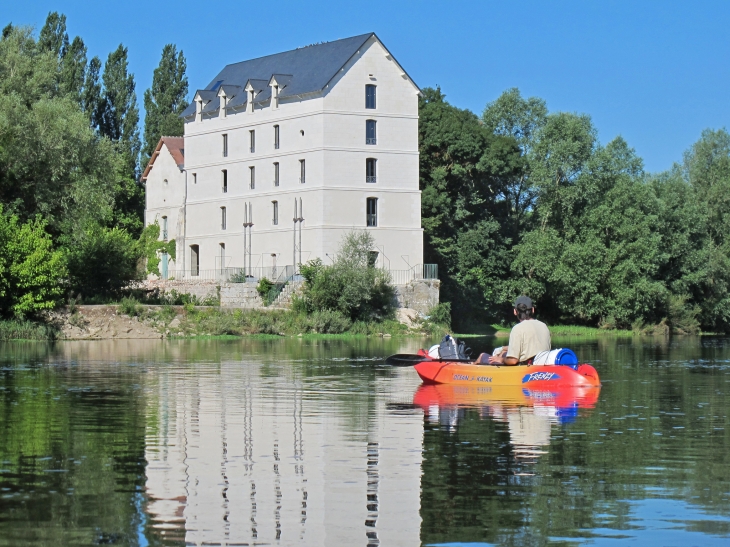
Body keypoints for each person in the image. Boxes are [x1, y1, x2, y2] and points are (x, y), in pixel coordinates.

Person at [486, 296, 551, 366]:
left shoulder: (517, 328)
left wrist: (501, 359)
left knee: (483, 356)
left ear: (515, 311)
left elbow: (513, 361)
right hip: (542, 365)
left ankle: (474, 364)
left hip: (526, 367)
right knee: (504, 352)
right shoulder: (544, 326)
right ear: (532, 310)